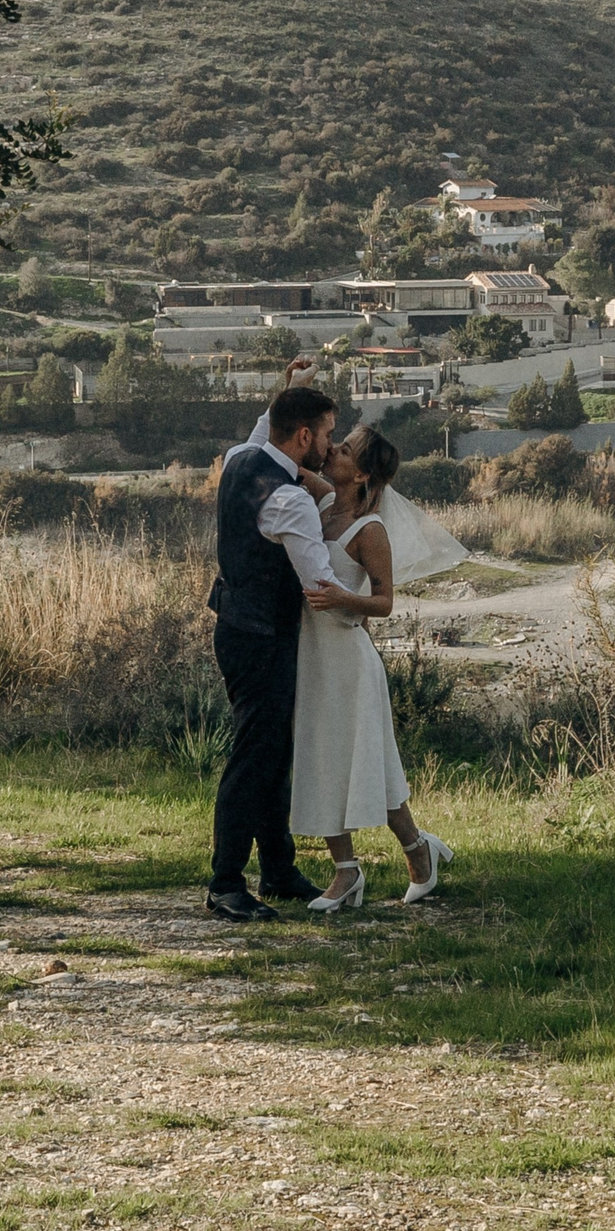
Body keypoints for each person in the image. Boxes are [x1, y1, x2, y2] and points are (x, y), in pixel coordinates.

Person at [291, 425, 456, 910]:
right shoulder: (321, 501)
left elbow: (383, 601)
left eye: (342, 450)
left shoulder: (371, 530)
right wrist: (289, 393)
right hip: (313, 655)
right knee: (322, 761)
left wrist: (344, 597)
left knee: (371, 766)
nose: (332, 450)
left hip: (349, 659)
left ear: (360, 473)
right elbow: (280, 453)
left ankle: (416, 851)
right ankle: (349, 873)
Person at [203, 374, 343, 921]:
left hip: (236, 626)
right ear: (305, 437)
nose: (333, 445)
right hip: (263, 637)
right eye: (329, 434)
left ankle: (279, 869)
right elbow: (319, 584)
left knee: (271, 754)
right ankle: (225, 882)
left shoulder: (242, 457)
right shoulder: (290, 499)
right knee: (254, 756)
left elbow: (265, 427)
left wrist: (291, 387)